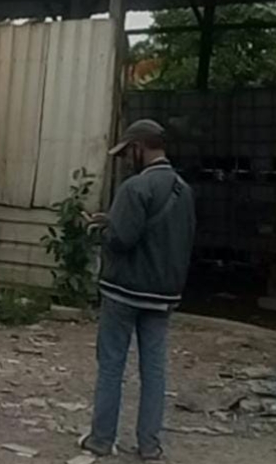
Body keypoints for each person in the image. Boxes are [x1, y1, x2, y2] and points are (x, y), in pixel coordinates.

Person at [81, 119, 196, 461]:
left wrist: (101, 230)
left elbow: (121, 240)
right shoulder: (183, 190)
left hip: (124, 290)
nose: (124, 160)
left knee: (112, 365)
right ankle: (149, 445)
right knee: (154, 370)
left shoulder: (134, 188)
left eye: (125, 153)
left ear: (138, 148)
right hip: (163, 294)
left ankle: (102, 440)